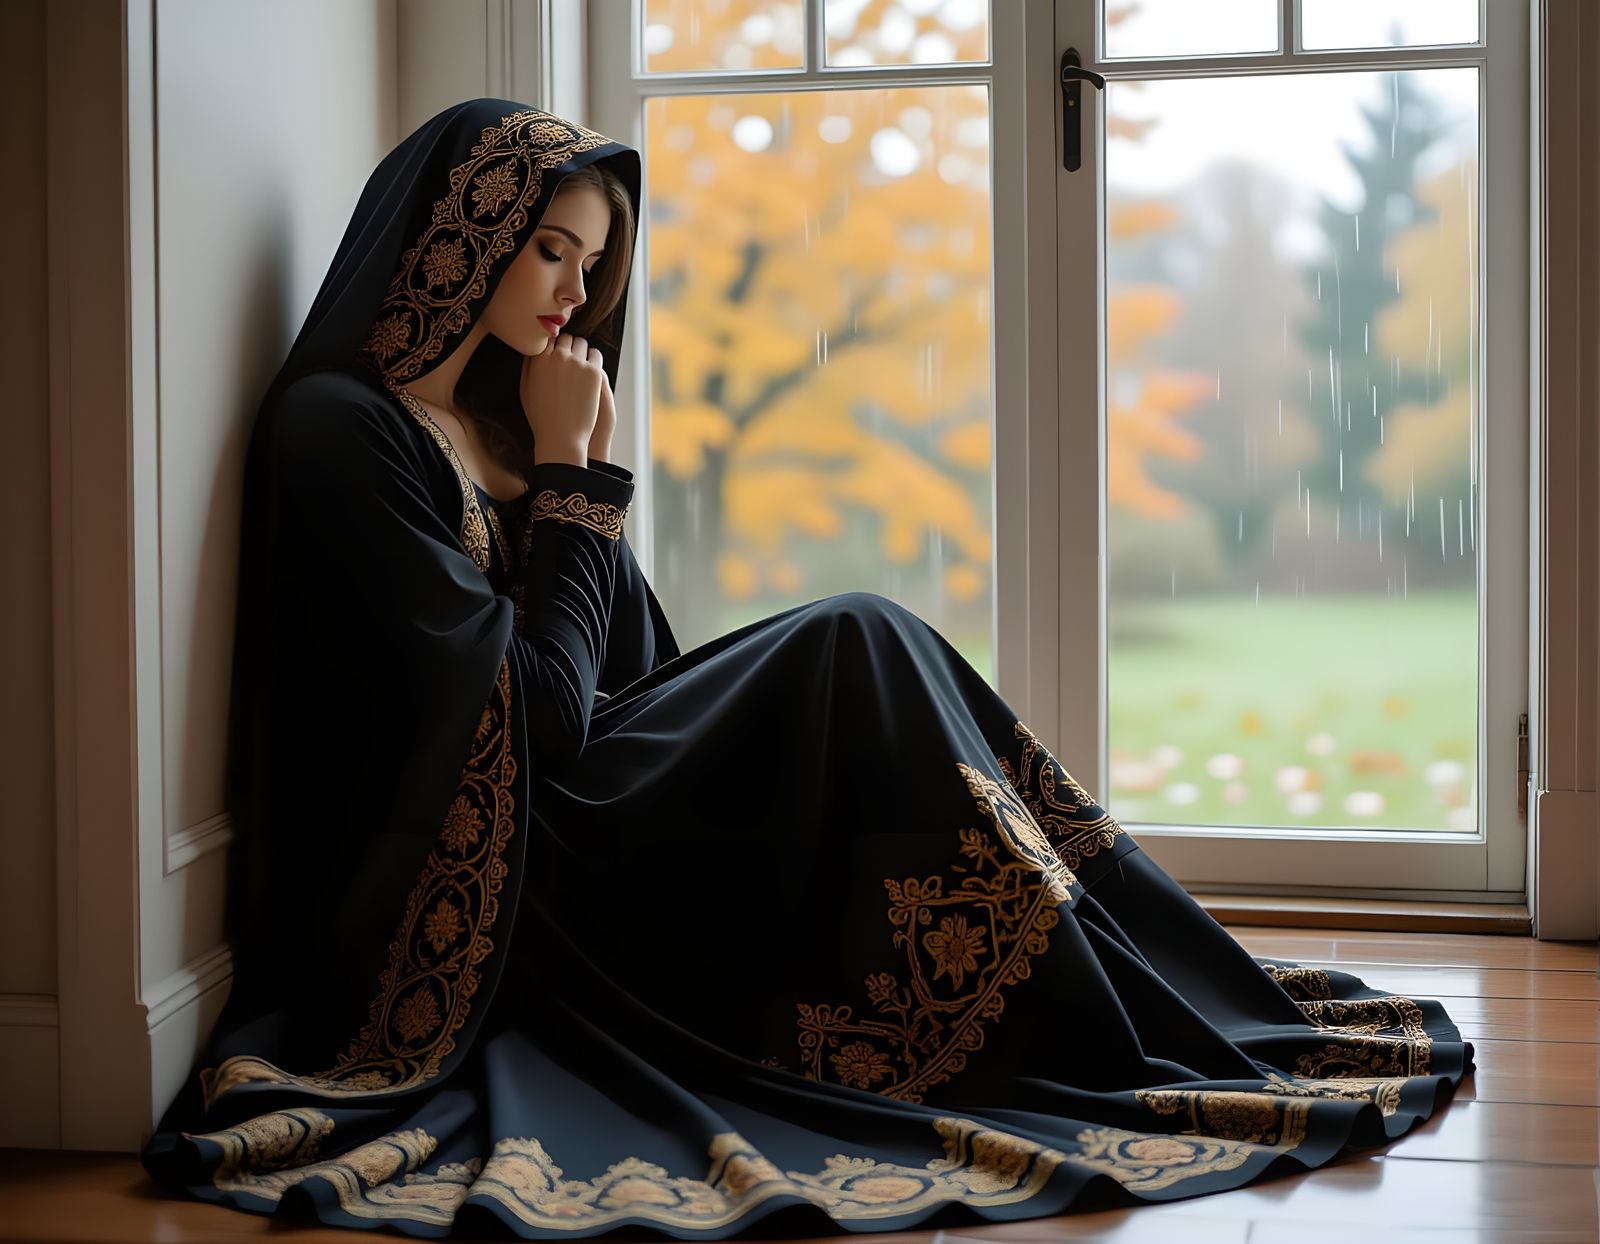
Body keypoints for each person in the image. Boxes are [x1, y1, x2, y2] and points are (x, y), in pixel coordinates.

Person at [140, 99, 1471, 1239]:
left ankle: (1124, 986)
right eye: (547, 248)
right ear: (454, 232)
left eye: (590, 268)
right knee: (853, 640)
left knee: (861, 642)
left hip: (586, 797)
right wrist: (577, 483)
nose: (568, 292)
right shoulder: (343, 433)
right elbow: (537, 731)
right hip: (500, 890)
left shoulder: (502, 418)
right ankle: (1090, 1014)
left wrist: (567, 477)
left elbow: (627, 669)